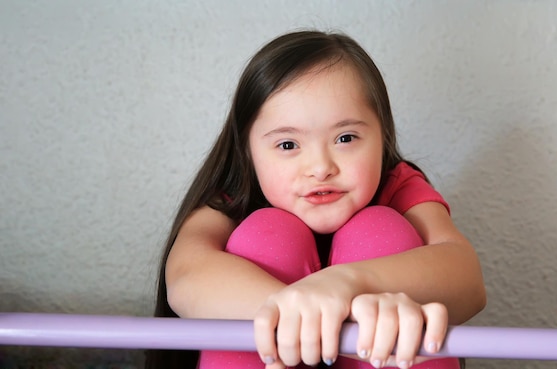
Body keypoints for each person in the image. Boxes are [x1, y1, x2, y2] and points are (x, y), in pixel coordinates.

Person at [145, 30, 486, 369]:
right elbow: (186, 276)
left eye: (346, 137)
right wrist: (296, 311)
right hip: (276, 354)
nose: (321, 168)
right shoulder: (235, 196)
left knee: (378, 228)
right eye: (288, 145)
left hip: (377, 353)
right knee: (267, 232)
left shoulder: (398, 186)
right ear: (247, 152)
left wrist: (349, 283)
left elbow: (467, 279)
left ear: (381, 137)